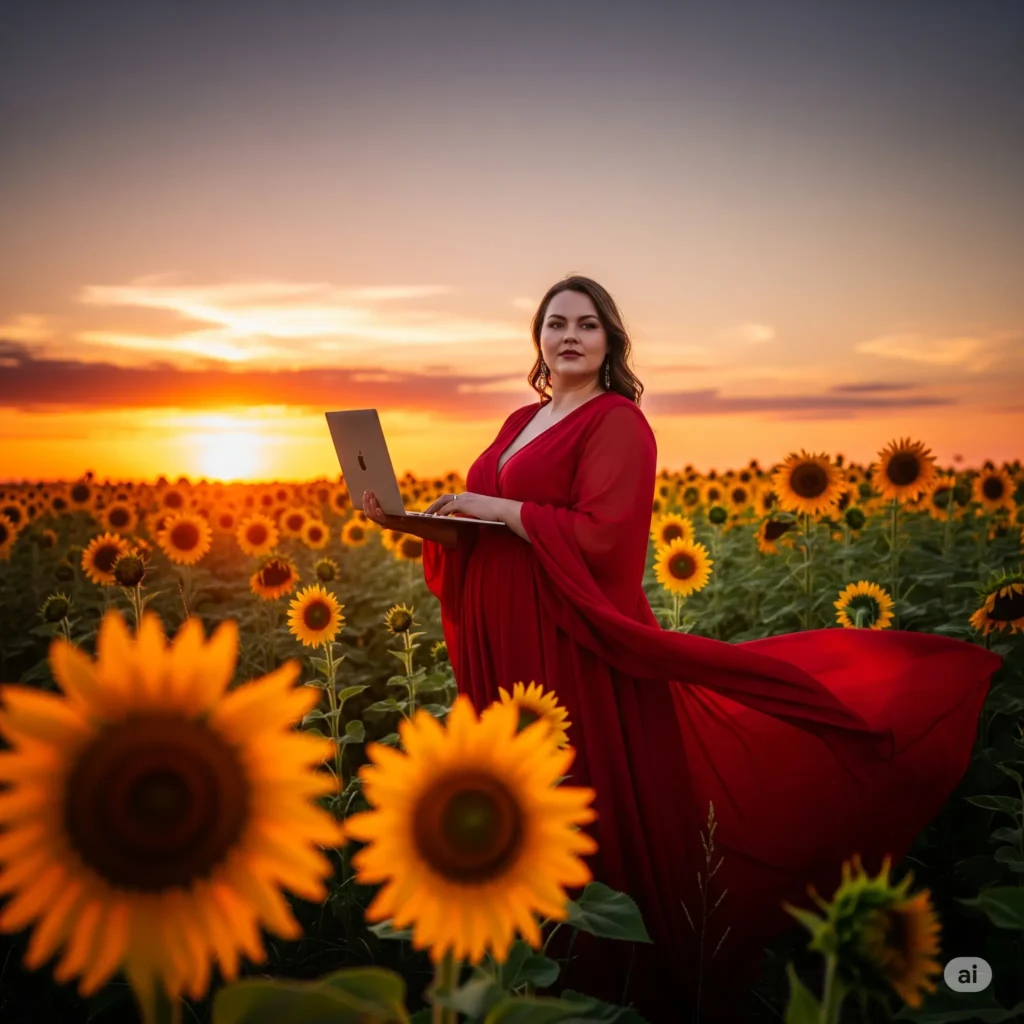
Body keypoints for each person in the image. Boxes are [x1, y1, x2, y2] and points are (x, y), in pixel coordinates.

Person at [361, 274, 1002, 1021]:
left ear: (611, 343)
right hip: (505, 630)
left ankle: (611, 978)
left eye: (587, 325)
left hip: (571, 635)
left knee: (582, 790)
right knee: (519, 798)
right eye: (555, 323)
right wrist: (405, 522)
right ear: (537, 339)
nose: (569, 335)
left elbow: (604, 535)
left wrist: (499, 506)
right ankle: (533, 967)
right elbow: (482, 533)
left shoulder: (618, 423)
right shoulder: (516, 422)